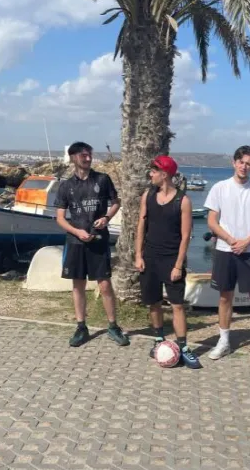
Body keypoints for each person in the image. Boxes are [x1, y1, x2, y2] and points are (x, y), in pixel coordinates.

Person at [204, 145, 250, 367]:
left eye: (249, 164)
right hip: (226, 250)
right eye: (241, 162)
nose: (244, 166)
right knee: (225, 297)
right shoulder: (220, 188)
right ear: (234, 163)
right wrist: (230, 240)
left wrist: (246, 241)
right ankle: (224, 341)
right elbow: (212, 220)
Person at [55, 142, 129, 348]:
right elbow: (60, 218)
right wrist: (77, 231)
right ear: (73, 158)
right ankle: (81, 327)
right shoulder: (66, 186)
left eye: (89, 155)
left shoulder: (102, 179)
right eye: (83, 155)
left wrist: (106, 218)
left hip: (99, 240)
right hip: (75, 241)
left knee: (104, 284)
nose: (87, 159)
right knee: (78, 284)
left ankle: (113, 326)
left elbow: (116, 202)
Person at [135, 155, 201, 369]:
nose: (150, 174)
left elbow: (185, 236)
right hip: (150, 257)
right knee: (153, 302)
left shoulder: (183, 201)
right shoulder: (148, 195)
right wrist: (138, 255)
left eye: (154, 171)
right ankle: (158, 339)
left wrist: (178, 265)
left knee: (177, 305)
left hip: (172, 259)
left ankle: (183, 347)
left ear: (164, 174)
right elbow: (141, 226)